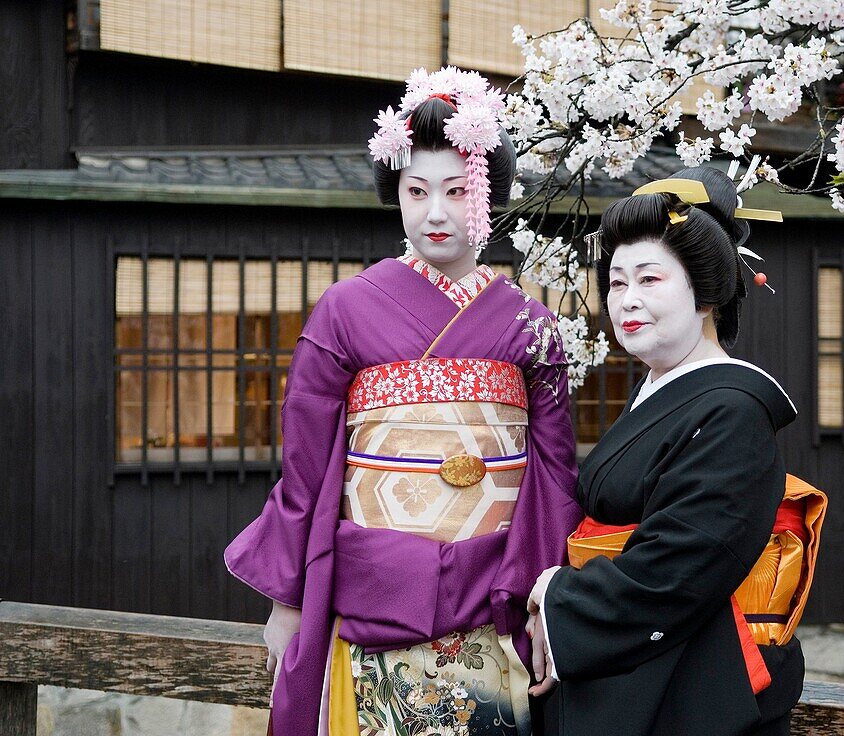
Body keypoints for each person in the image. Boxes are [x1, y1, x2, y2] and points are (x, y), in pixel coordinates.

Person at [225, 67, 582, 736]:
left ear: (486, 199)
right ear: (396, 194)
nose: (436, 212)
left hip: (492, 591)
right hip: (375, 587)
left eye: (455, 191)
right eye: (417, 191)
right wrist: (290, 598)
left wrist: (549, 597)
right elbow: (305, 469)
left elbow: (556, 477)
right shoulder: (345, 311)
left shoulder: (532, 325)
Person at [525, 166, 824, 736]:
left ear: (706, 293)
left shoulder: (732, 410)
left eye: (649, 279)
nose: (627, 300)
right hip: (644, 669)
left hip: (691, 679)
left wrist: (557, 595)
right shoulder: (663, 394)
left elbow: (679, 568)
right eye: (615, 282)